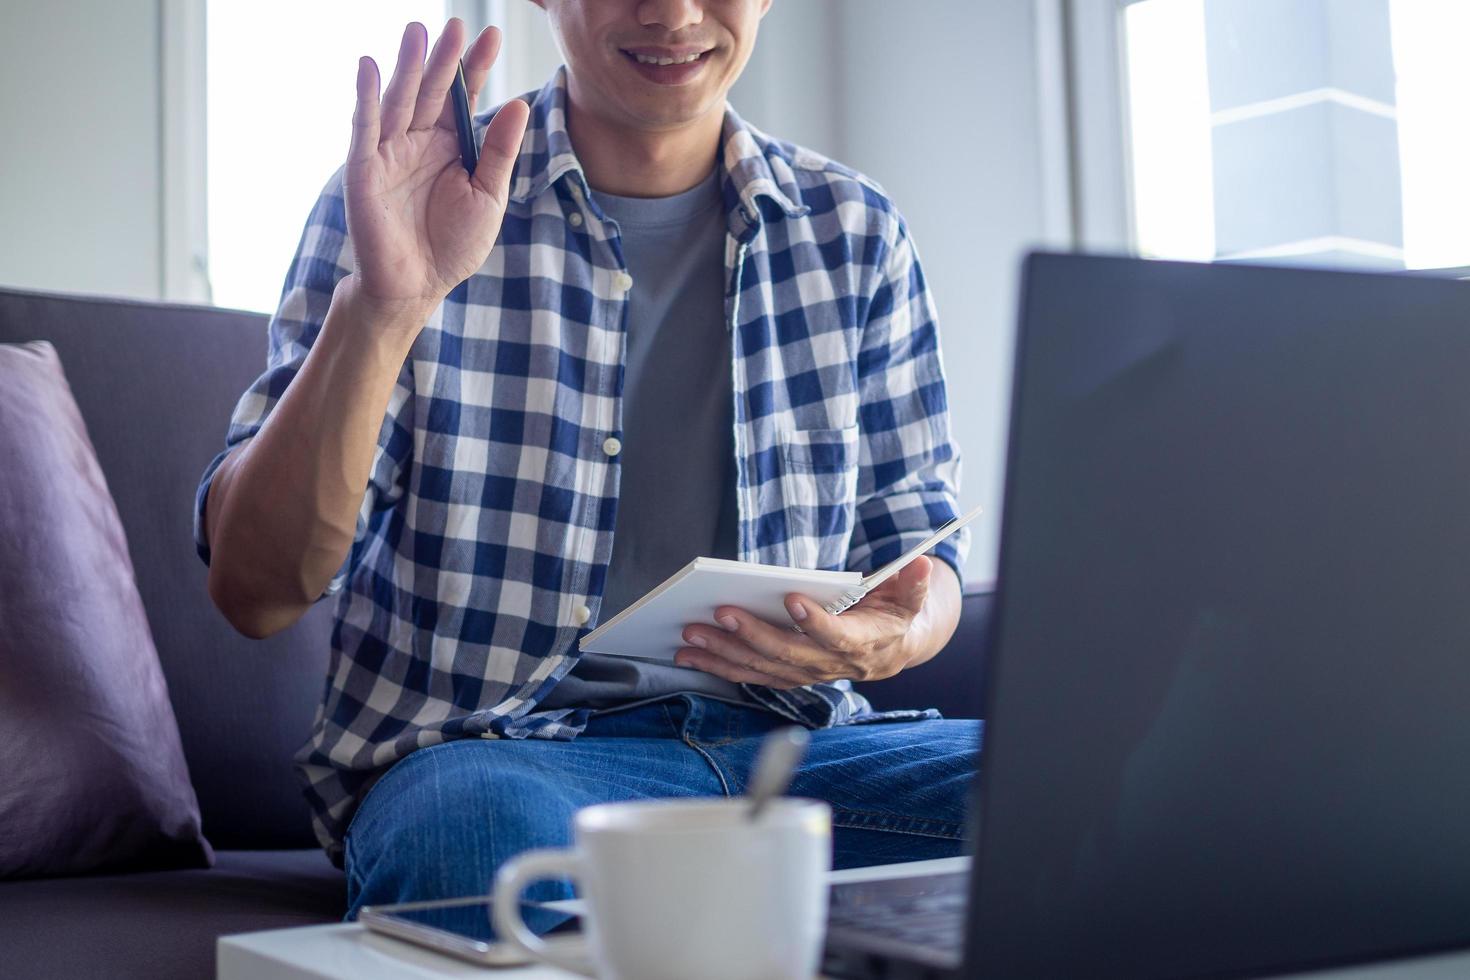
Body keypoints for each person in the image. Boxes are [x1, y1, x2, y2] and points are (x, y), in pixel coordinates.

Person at [196, 1, 978, 916]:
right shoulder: (404, 194)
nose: (672, 13)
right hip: (503, 757)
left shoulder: (857, 232)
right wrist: (381, 306)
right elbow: (256, 592)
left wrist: (897, 638)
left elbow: (925, 553)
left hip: (801, 751)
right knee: (471, 845)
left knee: (1089, 796)